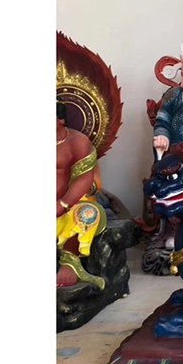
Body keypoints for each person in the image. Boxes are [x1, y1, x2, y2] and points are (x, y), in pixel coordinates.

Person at [56, 101, 106, 289]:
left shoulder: (77, 142)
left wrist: (62, 204)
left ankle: (69, 263)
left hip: (69, 207)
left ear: (61, 119)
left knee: (88, 213)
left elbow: (83, 180)